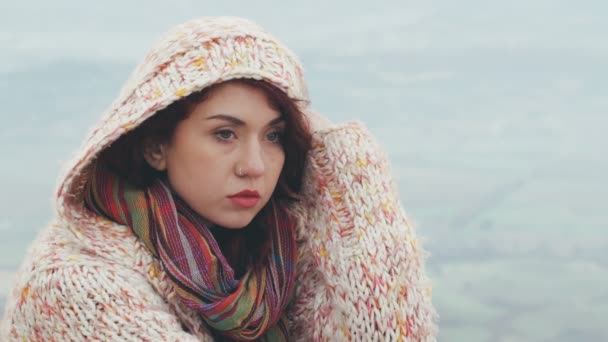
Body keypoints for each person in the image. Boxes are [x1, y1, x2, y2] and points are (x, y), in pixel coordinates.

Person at [1, 16, 438, 341]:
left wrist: (351, 165)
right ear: (156, 146)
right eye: (224, 134)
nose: (255, 165)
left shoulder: (282, 254)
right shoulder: (76, 286)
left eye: (274, 136)